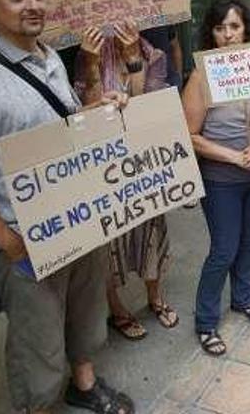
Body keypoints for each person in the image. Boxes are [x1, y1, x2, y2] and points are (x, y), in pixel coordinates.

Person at [0, 0, 134, 414]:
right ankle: (37, 407)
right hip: (26, 240)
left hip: (79, 219)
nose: (33, 4)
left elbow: (62, 129)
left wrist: (102, 108)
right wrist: (8, 242)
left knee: (85, 314)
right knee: (37, 343)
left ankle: (84, 385)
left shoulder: (50, 60)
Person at [182, 0, 250, 356]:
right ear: (211, 33)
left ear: (246, 30)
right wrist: (233, 156)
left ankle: (243, 300)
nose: (228, 35)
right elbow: (190, 135)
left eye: (235, 27)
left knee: (248, 244)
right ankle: (206, 322)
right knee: (224, 249)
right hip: (220, 181)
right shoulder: (199, 76)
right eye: (220, 27)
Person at [73, 22, 178, 340]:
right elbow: (84, 116)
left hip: (141, 163)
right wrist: (90, 63)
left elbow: (149, 110)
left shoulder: (153, 54)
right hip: (103, 167)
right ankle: (117, 310)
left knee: (151, 230)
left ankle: (155, 297)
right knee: (107, 243)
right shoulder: (84, 55)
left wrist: (134, 61)